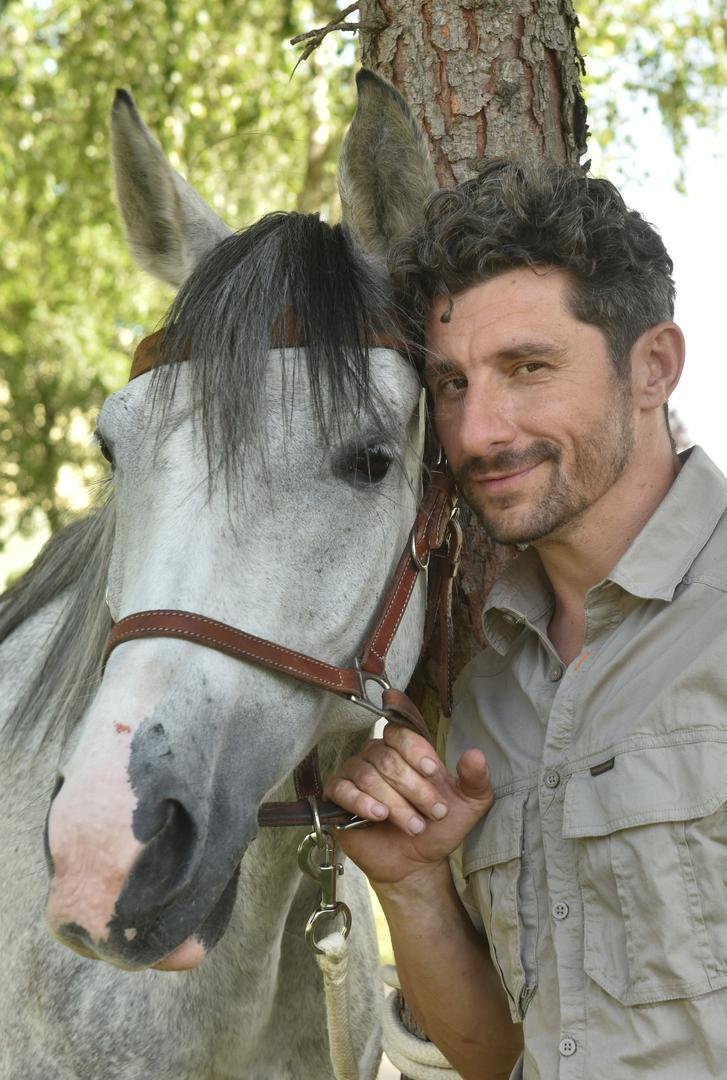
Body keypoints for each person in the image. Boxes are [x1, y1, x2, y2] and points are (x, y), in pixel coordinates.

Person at [324, 158, 727, 1079]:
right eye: (452, 385)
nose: (477, 433)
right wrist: (413, 884)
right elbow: (500, 1055)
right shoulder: (490, 687)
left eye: (527, 368)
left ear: (652, 368)